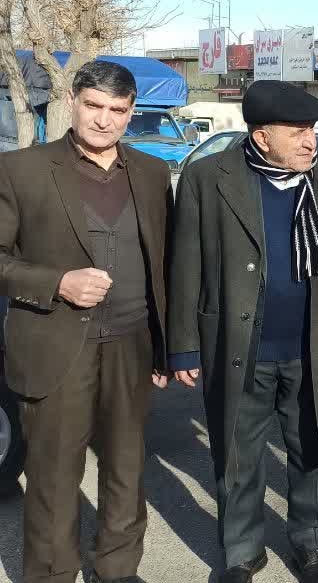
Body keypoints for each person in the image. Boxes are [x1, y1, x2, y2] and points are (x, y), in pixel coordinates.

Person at [167, 81, 318, 583]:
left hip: (313, 345)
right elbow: (185, 263)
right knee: (237, 455)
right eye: (298, 132)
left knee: (312, 451)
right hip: (239, 345)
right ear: (261, 137)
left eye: (312, 130)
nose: (310, 142)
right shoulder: (209, 177)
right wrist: (183, 346)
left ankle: (310, 545)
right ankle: (242, 552)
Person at [0, 61, 172, 583]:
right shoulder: (21, 169)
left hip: (132, 345)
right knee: (53, 477)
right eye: (93, 105)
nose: (103, 120)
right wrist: (57, 282)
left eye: (117, 110)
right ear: (72, 101)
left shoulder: (152, 173)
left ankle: (117, 569)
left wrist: (167, 349)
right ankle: (53, 574)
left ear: (131, 112)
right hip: (55, 345)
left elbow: (163, 264)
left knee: (126, 470)